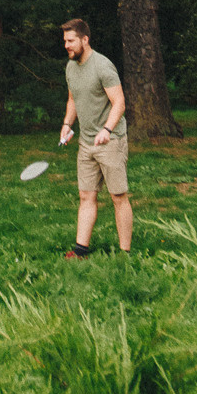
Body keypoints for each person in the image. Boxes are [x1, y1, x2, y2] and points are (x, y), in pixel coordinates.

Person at [60, 17, 132, 259]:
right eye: (65, 41)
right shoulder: (70, 67)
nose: (67, 45)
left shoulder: (103, 66)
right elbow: (73, 100)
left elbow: (119, 102)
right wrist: (67, 125)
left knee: (118, 196)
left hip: (110, 141)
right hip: (86, 143)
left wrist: (107, 130)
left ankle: (125, 253)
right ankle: (81, 250)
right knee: (86, 195)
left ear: (85, 39)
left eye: (71, 41)